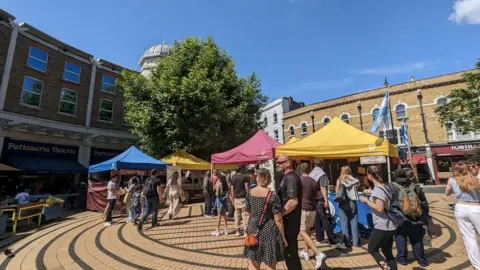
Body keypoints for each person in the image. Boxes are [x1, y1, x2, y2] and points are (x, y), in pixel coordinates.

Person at [244, 168, 287, 270]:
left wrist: (246, 231)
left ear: (258, 178)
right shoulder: (272, 196)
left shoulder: (249, 193)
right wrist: (283, 237)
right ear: (268, 179)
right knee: (270, 263)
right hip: (270, 231)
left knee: (254, 262)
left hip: (253, 230)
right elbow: (278, 219)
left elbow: (247, 213)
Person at [359, 165, 398, 270]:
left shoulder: (378, 190)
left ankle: (386, 268)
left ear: (369, 176)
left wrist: (366, 201)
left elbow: (379, 208)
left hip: (382, 225)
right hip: (390, 224)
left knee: (372, 249)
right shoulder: (385, 187)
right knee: (387, 252)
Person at [446, 162, 480, 269]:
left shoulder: (451, 180)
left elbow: (447, 193)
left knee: (469, 238)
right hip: (475, 208)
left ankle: (477, 265)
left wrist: (452, 189)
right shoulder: (474, 179)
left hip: (460, 208)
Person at [391, 168, 428, 267]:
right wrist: (424, 218)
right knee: (417, 240)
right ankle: (421, 260)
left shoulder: (392, 187)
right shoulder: (415, 186)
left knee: (400, 238)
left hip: (401, 218)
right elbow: (424, 202)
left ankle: (402, 259)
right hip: (416, 218)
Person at [298, 163, 327, 268]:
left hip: (303, 208)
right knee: (308, 230)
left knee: (301, 231)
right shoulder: (314, 181)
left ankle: (317, 253)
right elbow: (317, 195)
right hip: (312, 208)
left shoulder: (299, 180)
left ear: (300, 170)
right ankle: (306, 251)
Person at [276, 155, 303, 269]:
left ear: (288, 163)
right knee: (289, 251)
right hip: (289, 220)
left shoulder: (291, 177)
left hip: (290, 220)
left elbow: (293, 201)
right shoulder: (286, 176)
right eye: (277, 162)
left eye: (281, 162)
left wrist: (280, 213)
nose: (278, 164)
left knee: (290, 251)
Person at [310, 159, 339, 247]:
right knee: (325, 218)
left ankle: (319, 238)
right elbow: (323, 187)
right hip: (321, 198)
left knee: (317, 219)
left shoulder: (311, 174)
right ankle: (333, 240)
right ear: (322, 165)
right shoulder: (322, 174)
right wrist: (326, 200)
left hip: (313, 199)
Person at [335, 165, 360, 247]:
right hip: (352, 202)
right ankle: (355, 243)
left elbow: (337, 192)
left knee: (344, 222)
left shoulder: (339, 179)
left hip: (343, 202)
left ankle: (347, 243)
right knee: (354, 222)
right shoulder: (353, 179)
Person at [231, 166, 250, 236]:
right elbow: (247, 188)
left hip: (236, 198)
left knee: (237, 215)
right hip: (244, 198)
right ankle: (245, 231)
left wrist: (232, 200)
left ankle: (237, 231)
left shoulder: (233, 178)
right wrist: (249, 197)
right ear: (241, 169)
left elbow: (232, 190)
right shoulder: (245, 177)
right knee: (245, 215)